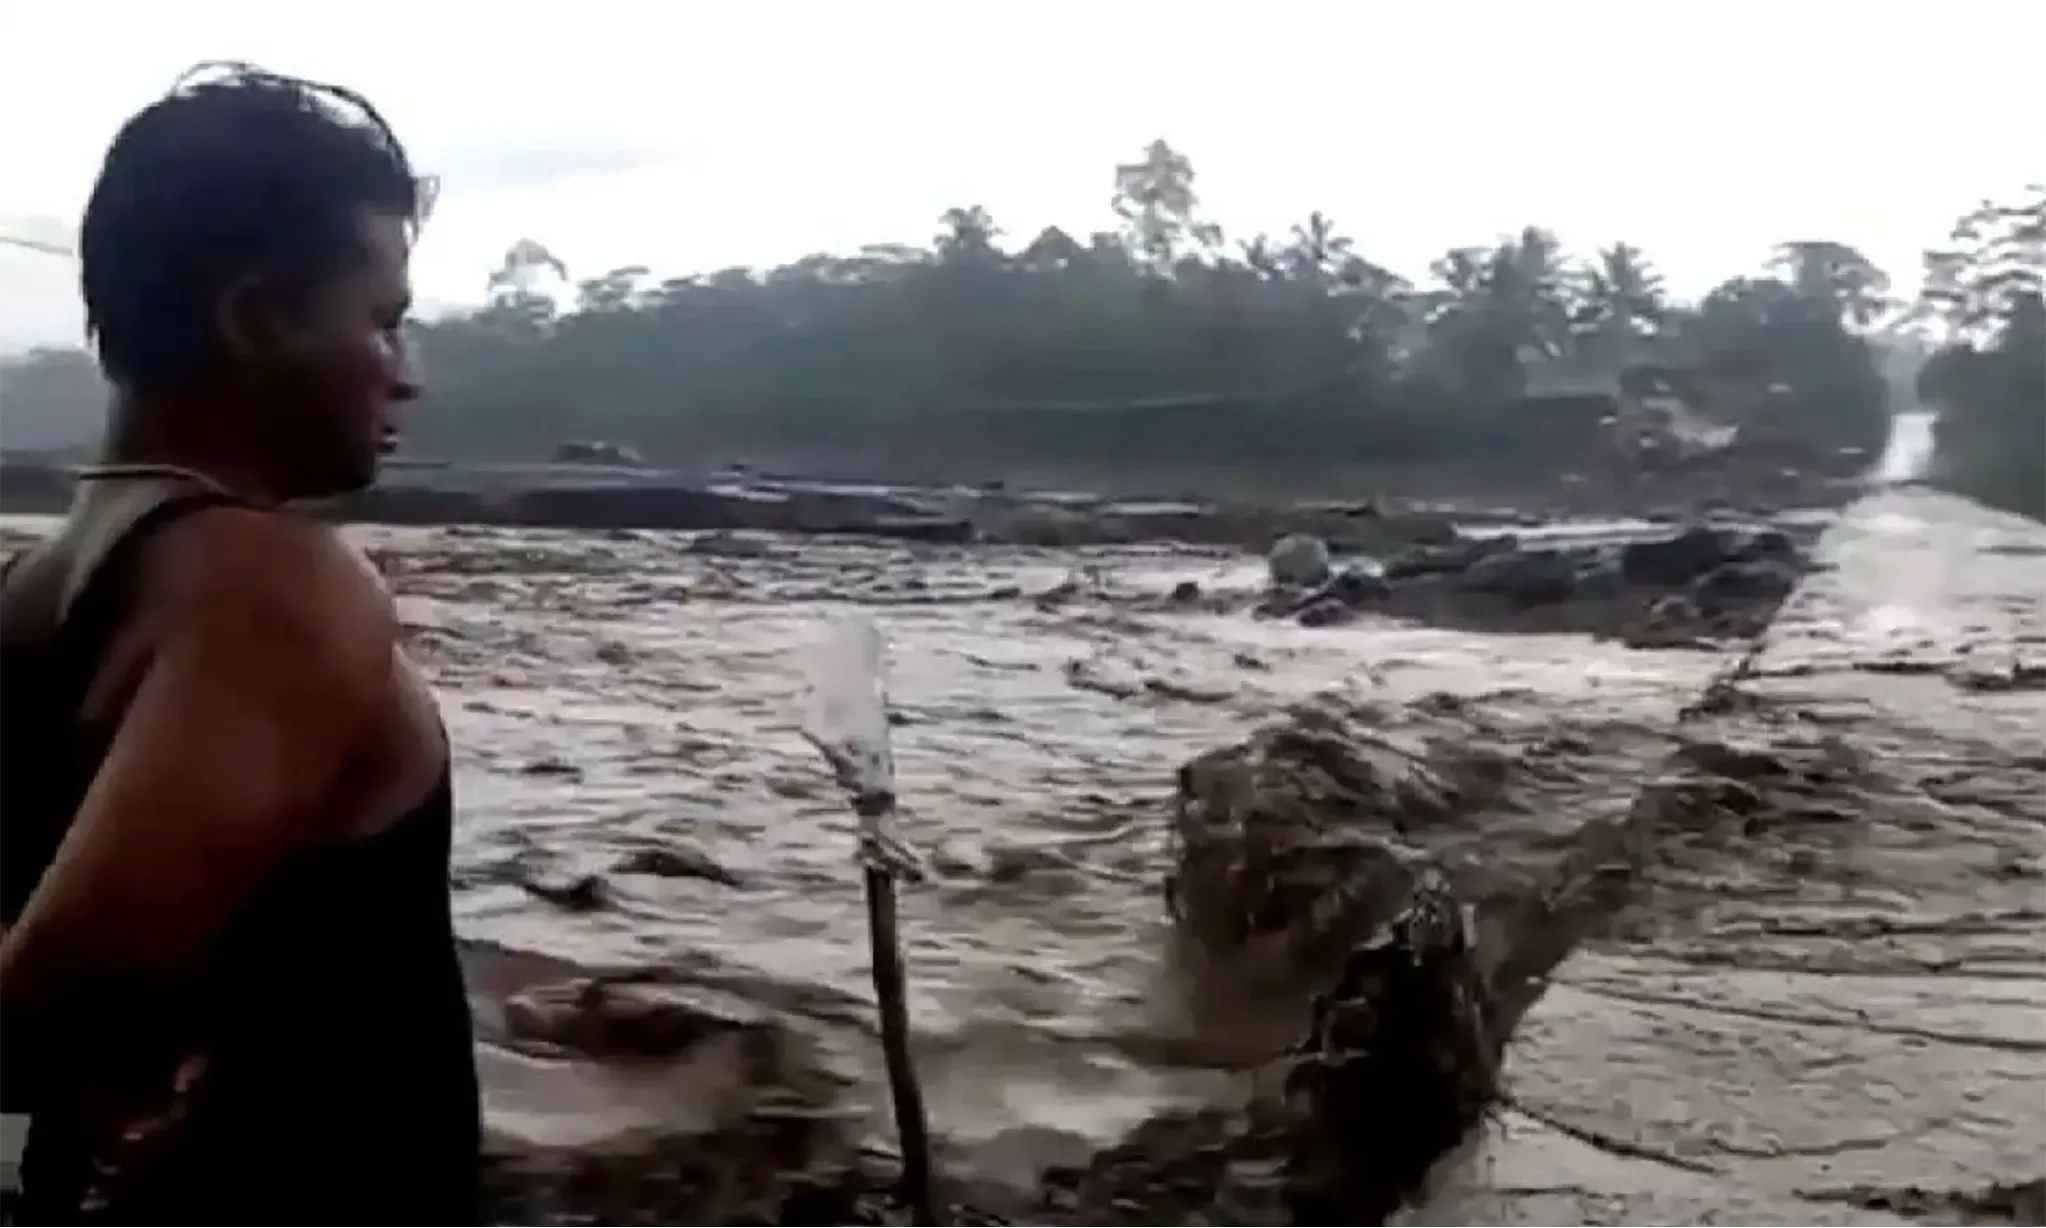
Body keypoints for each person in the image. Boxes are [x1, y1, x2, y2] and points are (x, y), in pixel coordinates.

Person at [0, 63, 479, 1224]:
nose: (408, 375)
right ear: (257, 318)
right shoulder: (282, 587)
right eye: (384, 320)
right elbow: (62, 1002)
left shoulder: (32, 582)